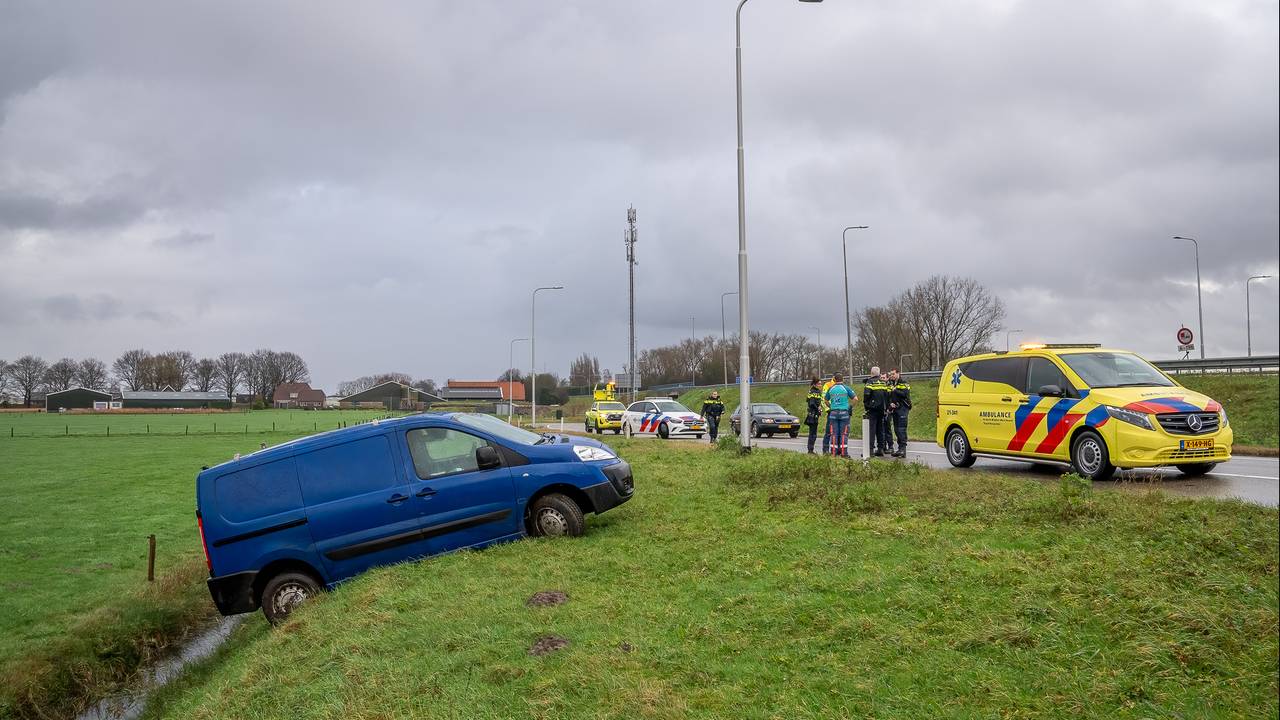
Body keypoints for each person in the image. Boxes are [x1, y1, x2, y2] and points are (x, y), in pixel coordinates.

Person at [824, 373, 856, 457]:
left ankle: (833, 453)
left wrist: (831, 406)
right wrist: (849, 407)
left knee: (834, 434)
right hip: (844, 413)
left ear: (834, 379)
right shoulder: (846, 388)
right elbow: (855, 399)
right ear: (843, 379)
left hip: (833, 413)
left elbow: (825, 400)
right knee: (844, 434)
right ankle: (843, 453)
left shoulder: (831, 389)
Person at [862, 366, 889, 457]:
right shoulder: (883, 382)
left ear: (871, 373)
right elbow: (886, 395)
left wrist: (867, 406)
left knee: (871, 430)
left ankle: (870, 450)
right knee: (880, 429)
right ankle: (880, 449)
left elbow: (866, 394)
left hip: (872, 409)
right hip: (882, 409)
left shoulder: (870, 382)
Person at [886, 368, 912, 457]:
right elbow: (889, 395)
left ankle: (903, 449)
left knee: (901, 429)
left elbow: (905, 394)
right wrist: (891, 404)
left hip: (903, 409)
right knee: (896, 429)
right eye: (891, 374)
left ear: (898, 373)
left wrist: (894, 390)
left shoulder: (903, 382)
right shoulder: (892, 383)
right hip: (895, 409)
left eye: (893, 374)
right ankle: (899, 449)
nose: (891, 376)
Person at [804, 377, 823, 454]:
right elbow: (811, 403)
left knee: (813, 433)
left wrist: (820, 409)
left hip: (816, 414)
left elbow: (818, 402)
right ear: (815, 384)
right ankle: (810, 450)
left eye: (821, 384)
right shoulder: (813, 391)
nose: (820, 385)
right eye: (819, 384)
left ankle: (811, 449)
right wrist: (818, 409)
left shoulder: (817, 391)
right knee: (812, 433)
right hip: (813, 414)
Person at [820, 376, 835, 454]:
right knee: (829, 432)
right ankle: (825, 449)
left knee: (838, 433)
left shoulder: (841, 385)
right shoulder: (828, 385)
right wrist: (828, 409)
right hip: (831, 411)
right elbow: (823, 399)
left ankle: (836, 450)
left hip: (839, 411)